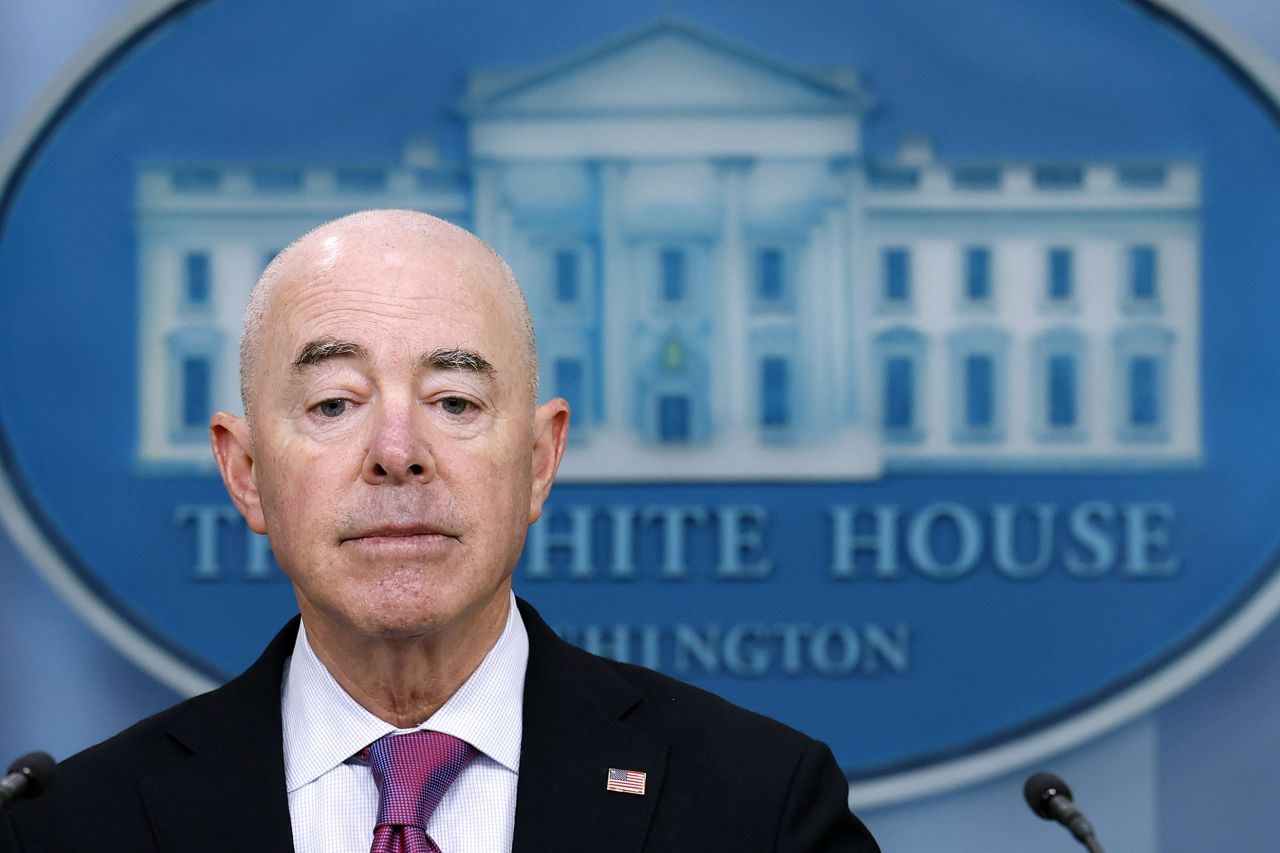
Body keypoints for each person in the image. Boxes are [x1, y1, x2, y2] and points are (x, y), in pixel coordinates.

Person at [0, 210, 879, 852]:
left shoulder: (758, 807)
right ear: (246, 472)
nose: (396, 452)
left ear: (539, 460)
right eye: (335, 402)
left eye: (454, 401)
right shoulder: (71, 826)